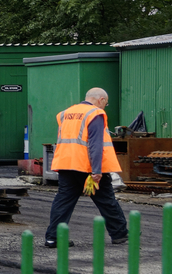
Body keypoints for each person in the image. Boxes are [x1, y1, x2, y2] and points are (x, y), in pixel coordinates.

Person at [45, 87, 128, 248]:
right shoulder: (95, 113)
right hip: (87, 166)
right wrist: (96, 170)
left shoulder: (65, 113)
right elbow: (95, 144)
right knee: (106, 200)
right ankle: (120, 234)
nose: (105, 106)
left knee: (63, 201)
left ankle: (53, 237)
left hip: (66, 164)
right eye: (106, 103)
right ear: (101, 100)